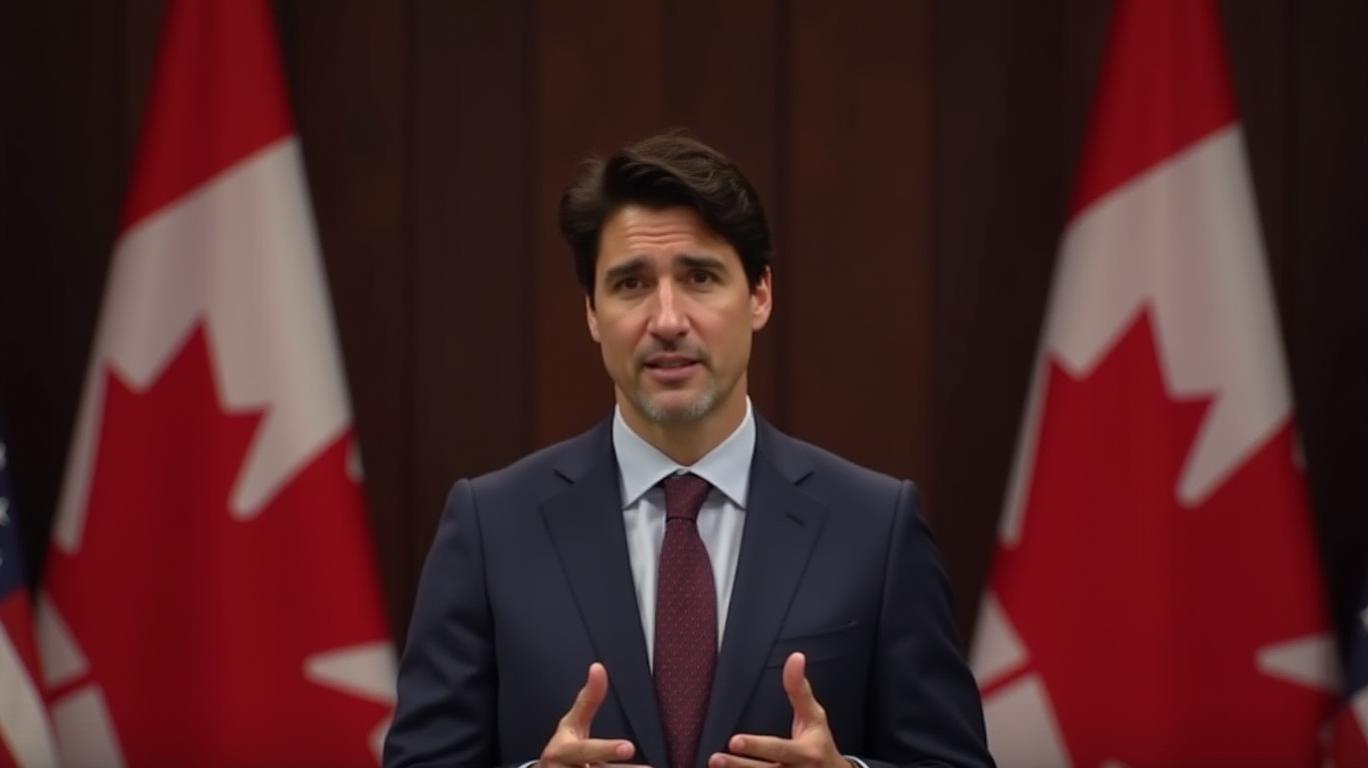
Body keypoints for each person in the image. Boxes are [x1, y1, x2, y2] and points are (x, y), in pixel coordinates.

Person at [383, 133, 993, 768]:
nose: (668, 320)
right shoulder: (491, 527)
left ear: (759, 295)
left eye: (700, 277)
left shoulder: (875, 526)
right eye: (631, 284)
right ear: (591, 312)